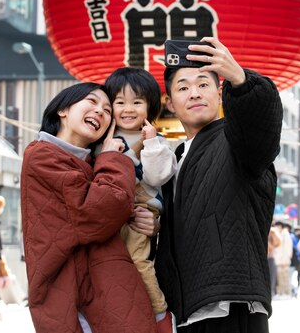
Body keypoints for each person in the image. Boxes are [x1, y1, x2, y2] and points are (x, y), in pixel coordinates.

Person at [155, 37, 283, 333]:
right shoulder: (173, 160)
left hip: (232, 305)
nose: (194, 93)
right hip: (188, 310)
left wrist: (242, 80)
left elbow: (261, 126)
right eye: (183, 87)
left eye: (203, 84)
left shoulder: (237, 140)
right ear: (170, 103)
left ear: (220, 92)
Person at [20, 82, 158, 333]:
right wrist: (113, 157)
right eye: (92, 102)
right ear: (63, 110)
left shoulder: (88, 162)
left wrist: (148, 222)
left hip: (99, 287)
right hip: (75, 295)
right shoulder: (43, 156)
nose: (100, 112)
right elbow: (97, 211)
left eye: (107, 110)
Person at [104, 67, 178, 332]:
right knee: (107, 266)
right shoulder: (103, 139)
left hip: (142, 209)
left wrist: (151, 145)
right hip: (111, 209)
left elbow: (157, 177)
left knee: (137, 261)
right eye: (120, 102)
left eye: (137, 102)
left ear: (150, 106)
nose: (128, 109)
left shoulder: (157, 142)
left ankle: (159, 313)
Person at [272, 221, 293, 298]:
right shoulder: (279, 234)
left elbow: (288, 248)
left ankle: (286, 293)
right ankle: (280, 293)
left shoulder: (285, 234)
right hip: (279, 260)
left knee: (284, 277)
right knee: (279, 277)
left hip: (284, 260)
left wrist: (286, 259)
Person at [267, 225, 281, 296]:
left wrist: (273, 233)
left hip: (270, 258)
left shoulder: (273, 232)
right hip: (263, 258)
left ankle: (271, 292)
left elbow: (278, 243)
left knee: (272, 277)